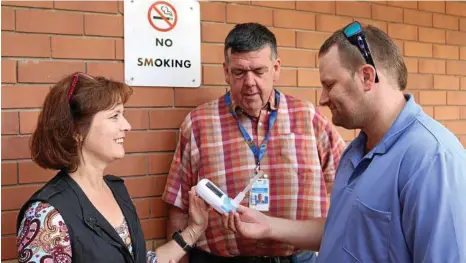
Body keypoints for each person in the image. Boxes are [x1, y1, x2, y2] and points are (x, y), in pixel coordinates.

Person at [224, 21, 466, 263]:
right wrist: (268, 226)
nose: (322, 99)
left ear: (366, 78)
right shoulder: (353, 153)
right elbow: (341, 230)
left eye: (329, 85)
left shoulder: (433, 159)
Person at [162, 23, 346, 263]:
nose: (249, 82)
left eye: (259, 71)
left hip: (296, 258)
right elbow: (179, 206)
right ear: (226, 72)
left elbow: (347, 189)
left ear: (276, 69)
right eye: (239, 72)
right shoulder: (198, 124)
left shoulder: (309, 118)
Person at [16, 72, 212, 263]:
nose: (127, 125)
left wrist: (194, 229)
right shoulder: (47, 215)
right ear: (76, 131)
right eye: (114, 116)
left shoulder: (116, 189)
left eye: (123, 114)